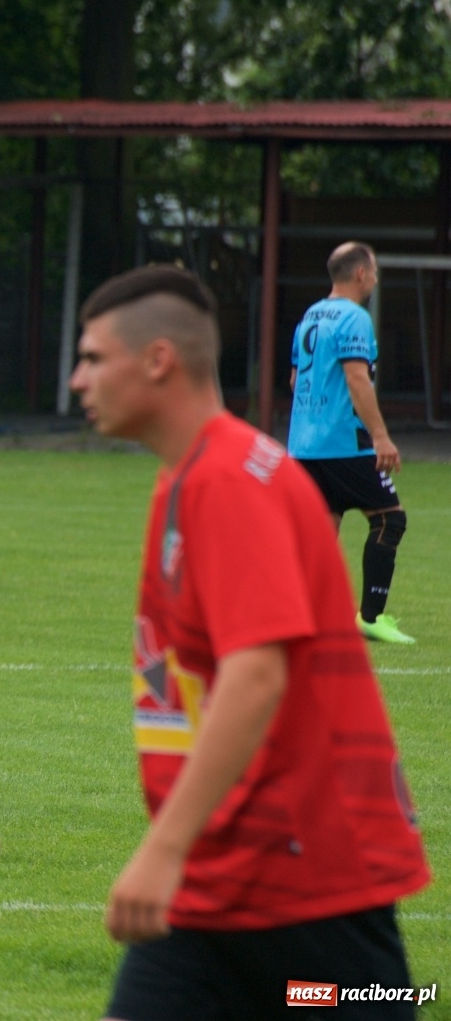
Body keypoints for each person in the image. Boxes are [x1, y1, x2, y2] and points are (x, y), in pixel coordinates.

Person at [69, 265, 429, 1020]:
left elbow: (257, 676)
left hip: (304, 869)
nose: (78, 379)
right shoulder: (191, 475)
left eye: (95, 358)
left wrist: (162, 847)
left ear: (158, 359)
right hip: (222, 867)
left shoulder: (230, 480)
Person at [288, 242, 414, 645]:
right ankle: (371, 617)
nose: (375, 279)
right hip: (344, 442)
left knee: (323, 530)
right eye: (374, 272)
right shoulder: (354, 318)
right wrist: (380, 436)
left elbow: (295, 382)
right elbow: (357, 378)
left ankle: (304, 617)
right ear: (361, 274)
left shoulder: (309, 316)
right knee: (389, 519)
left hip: (304, 444)